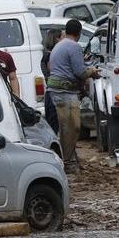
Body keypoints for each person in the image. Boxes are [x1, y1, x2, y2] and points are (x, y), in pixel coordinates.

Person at [46, 19, 102, 172]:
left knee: (67, 127)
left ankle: (71, 159)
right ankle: (68, 163)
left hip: (57, 90)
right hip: (64, 92)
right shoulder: (74, 46)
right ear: (79, 33)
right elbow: (80, 72)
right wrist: (92, 71)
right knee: (72, 127)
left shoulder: (60, 45)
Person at [40, 28, 63, 133]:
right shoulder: (50, 56)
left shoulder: (47, 55)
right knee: (55, 124)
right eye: (62, 37)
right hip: (55, 93)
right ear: (56, 39)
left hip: (51, 92)